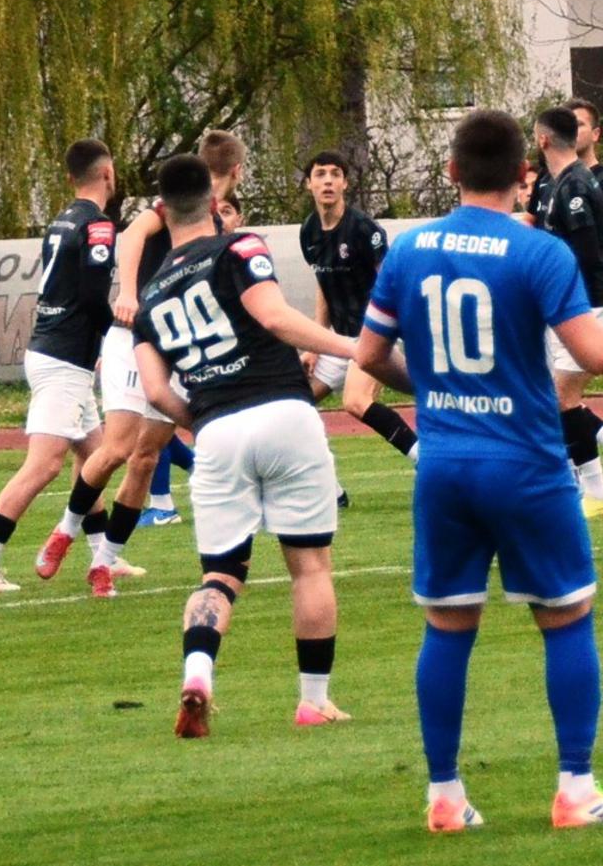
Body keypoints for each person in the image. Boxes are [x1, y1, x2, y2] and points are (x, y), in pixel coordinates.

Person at [347, 109, 603, 831]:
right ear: (523, 175)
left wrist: (438, 388)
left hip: (444, 464)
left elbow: (371, 357)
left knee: (447, 627)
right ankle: (574, 789)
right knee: (566, 616)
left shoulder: (408, 250)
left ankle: (444, 796)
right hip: (526, 462)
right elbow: (595, 353)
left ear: (451, 171)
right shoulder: (539, 252)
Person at [130, 153, 364, 736]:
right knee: (309, 567)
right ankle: (313, 701)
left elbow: (156, 392)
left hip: (216, 431)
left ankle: (198, 673)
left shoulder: (150, 294)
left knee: (219, 576)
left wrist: (203, 418)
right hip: (284, 412)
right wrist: (357, 348)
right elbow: (275, 318)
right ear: (214, 203)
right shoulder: (238, 247)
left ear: (162, 211)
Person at [37, 129, 253, 595]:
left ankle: (103, 562)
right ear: (238, 171)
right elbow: (132, 234)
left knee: (145, 458)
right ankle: (65, 531)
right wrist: (129, 293)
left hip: (177, 344)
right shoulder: (175, 204)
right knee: (116, 447)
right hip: (136, 336)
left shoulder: (222, 222)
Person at [0, 140, 118, 593]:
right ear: (108, 174)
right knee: (45, 465)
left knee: (95, 457)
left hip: (58, 352)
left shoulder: (61, 220)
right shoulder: (97, 225)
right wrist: (120, 334)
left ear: (70, 178)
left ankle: (103, 555)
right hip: (64, 358)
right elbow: (93, 295)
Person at [526, 109, 603, 517]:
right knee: (552, 395)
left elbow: (583, 254)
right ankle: (586, 475)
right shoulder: (560, 181)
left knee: (561, 394)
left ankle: (592, 492)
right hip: (576, 301)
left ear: (543, 139)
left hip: (592, 301)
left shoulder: (575, 184)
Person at [300, 151, 416, 465]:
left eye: (335, 174)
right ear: (309, 184)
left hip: (372, 336)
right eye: (320, 174)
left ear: (345, 184)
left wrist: (387, 334)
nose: (327, 181)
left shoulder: (364, 229)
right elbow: (323, 284)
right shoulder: (309, 231)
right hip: (339, 341)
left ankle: (425, 459)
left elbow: (390, 283)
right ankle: (323, 483)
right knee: (293, 405)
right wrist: (315, 344)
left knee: (355, 400)